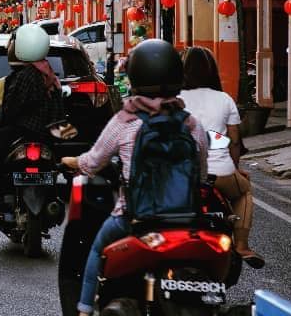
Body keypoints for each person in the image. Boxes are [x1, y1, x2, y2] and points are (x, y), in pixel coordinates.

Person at [61, 39, 209, 316]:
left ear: (135, 77)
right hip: (186, 219)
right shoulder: (191, 123)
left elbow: (93, 163)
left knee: (96, 250)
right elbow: (201, 173)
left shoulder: (126, 121)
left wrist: (71, 162)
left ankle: (83, 309)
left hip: (134, 218)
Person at [179, 46, 264, 268]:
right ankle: (242, 245)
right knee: (244, 191)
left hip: (182, 174)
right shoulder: (224, 99)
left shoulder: (174, 99)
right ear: (212, 71)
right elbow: (234, 141)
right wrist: (235, 168)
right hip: (220, 173)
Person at [0, 24, 65, 204]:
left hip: (26, 129)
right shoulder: (46, 71)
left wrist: (0, 123)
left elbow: (12, 108)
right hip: (48, 129)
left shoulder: (26, 75)